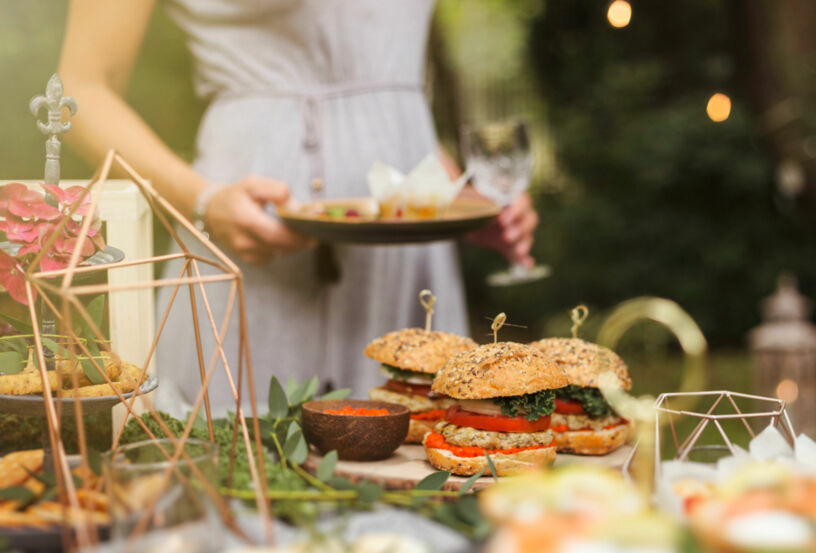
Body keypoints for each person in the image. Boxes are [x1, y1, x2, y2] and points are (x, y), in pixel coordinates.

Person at [58, 0, 539, 412]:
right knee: (245, 469)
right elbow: (81, 89)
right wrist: (203, 200)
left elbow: (386, 97)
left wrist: (456, 200)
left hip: (407, 264)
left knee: (426, 452)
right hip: (253, 253)